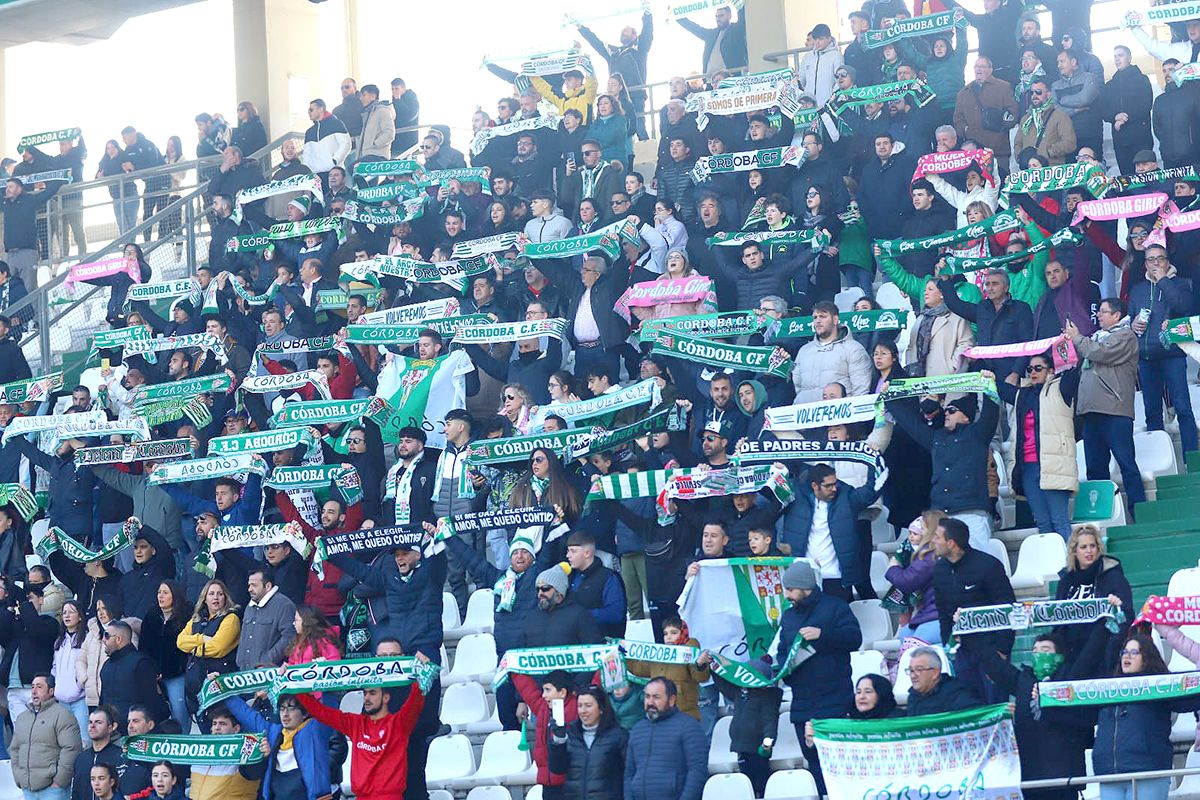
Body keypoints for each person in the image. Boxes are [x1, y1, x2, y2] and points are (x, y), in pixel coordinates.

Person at [295, 652, 433, 800]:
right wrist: (296, 681)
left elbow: (416, 700)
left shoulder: (399, 724)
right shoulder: (355, 724)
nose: (366, 698)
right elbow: (320, 712)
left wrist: (422, 667)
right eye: (365, 693)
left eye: (372, 693)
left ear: (386, 697)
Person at [775, 560, 861, 796]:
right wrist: (786, 671)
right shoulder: (788, 617)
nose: (787, 595)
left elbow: (854, 638)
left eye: (791, 589)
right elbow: (783, 651)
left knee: (841, 765)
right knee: (813, 764)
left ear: (806, 587)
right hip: (802, 704)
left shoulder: (835, 606)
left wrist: (822, 635)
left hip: (835, 700)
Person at [1093, 635, 1200, 800]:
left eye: (1134, 652)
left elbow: (1191, 699)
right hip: (1109, 774)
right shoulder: (1107, 689)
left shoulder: (1160, 687)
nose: (1127, 656)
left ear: (1146, 658)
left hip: (1148, 772)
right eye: (1124, 652)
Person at [1065, 298, 1146, 513]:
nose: (1098, 315)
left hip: (1115, 411)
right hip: (1092, 411)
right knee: (1095, 467)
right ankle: (1099, 513)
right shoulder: (1096, 338)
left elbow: (1101, 353)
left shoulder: (1125, 336)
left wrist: (1078, 338)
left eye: (1103, 312)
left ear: (1117, 316)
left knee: (1126, 463)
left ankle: (1139, 510)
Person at [991, 355, 1079, 540]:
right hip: (1028, 468)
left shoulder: (1061, 388)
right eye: (1029, 369)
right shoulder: (1022, 393)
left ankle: (1073, 566)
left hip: (1053, 464)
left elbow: (1073, 370)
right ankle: (1053, 565)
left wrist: (1069, 340)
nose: (1032, 372)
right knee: (1042, 522)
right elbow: (999, 389)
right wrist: (988, 377)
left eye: (1038, 368)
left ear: (1051, 371)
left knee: (1060, 520)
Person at [931, 518, 1014, 703]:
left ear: (951, 543)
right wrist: (948, 642)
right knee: (970, 707)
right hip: (963, 652)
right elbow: (943, 610)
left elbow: (1007, 608)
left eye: (937, 537)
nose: (933, 541)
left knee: (996, 707)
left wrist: (1003, 649)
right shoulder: (939, 570)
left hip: (991, 649)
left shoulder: (988, 566)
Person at [224, 692, 332, 800]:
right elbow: (246, 714)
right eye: (282, 708)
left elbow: (329, 707)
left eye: (291, 708)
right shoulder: (274, 732)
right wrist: (222, 688)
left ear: (304, 713)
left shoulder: (314, 730)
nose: (285, 714)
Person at [1055, 525, 1133, 668]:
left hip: (1102, 647)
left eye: (1092, 546)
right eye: (1083, 547)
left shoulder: (1113, 577)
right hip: (1070, 647)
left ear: (1098, 549)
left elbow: (1126, 614)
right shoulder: (1065, 581)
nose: (1089, 551)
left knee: (1100, 632)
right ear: (1074, 551)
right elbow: (1058, 620)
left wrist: (1116, 609)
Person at [623, 677, 708, 800]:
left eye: (656, 697)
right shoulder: (637, 729)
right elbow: (629, 773)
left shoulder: (689, 726)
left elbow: (697, 772)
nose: (650, 702)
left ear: (672, 699)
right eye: (647, 696)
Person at [177, 579, 241, 723]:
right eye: (211, 594)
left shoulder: (231, 618)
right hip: (196, 686)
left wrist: (192, 648)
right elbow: (180, 642)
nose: (216, 597)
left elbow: (218, 647)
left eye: (220, 594)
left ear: (225, 597)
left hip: (220, 686)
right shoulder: (196, 619)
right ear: (205, 598)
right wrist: (201, 638)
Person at [547, 685, 628, 800]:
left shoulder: (618, 736)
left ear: (601, 708)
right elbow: (557, 768)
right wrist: (559, 740)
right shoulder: (571, 734)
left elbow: (628, 774)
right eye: (580, 706)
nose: (583, 711)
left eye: (588, 706)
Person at [11, 673, 81, 800]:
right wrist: (19, 777)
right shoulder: (22, 718)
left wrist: (59, 782)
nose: (34, 691)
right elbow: (14, 749)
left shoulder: (63, 715)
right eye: (32, 687)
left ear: (51, 691)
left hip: (53, 790)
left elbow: (71, 749)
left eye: (39, 687)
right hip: (28, 789)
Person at [952, 58, 1018, 175]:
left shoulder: (1003, 87)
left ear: (990, 69)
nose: (978, 69)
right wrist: (965, 130)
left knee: (1001, 184)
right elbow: (958, 119)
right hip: (974, 152)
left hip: (998, 149)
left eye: (982, 66)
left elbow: (1013, 113)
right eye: (976, 66)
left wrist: (1001, 125)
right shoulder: (963, 93)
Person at [98, 620, 168, 730]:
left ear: (118, 639)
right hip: (111, 731)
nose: (103, 640)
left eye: (106, 636)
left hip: (135, 733)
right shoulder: (106, 665)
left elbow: (151, 701)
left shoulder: (141, 663)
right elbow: (103, 700)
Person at [885, 512, 943, 643]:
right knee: (905, 635)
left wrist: (893, 568)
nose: (920, 533)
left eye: (922, 528)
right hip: (930, 612)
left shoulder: (930, 555)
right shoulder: (928, 552)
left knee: (912, 644)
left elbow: (907, 582)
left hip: (938, 615)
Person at [1101, 45, 1155, 176]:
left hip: (1140, 138)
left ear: (1129, 58)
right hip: (1121, 141)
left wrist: (1125, 118)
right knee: (1127, 179)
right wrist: (1115, 117)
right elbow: (1103, 110)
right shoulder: (1110, 86)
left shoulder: (1142, 79)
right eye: (1115, 56)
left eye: (1120, 55)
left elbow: (1146, 104)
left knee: (1146, 177)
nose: (1117, 59)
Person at [236, 565, 298, 671]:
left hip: (270, 674)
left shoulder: (284, 605)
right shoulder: (249, 606)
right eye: (249, 585)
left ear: (268, 586)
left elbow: (289, 637)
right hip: (245, 673)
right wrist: (240, 660)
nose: (249, 589)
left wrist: (267, 661)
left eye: (254, 585)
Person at [1012, 79, 1077, 165]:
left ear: (1048, 94)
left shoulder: (1060, 116)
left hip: (1052, 169)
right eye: (1032, 93)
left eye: (1038, 92)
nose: (1034, 95)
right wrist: (1022, 158)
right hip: (1030, 171)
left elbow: (1070, 143)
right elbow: (1018, 143)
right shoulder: (1026, 119)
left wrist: (1048, 152)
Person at [904, 645, 981, 715]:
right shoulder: (913, 696)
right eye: (911, 670)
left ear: (935, 673)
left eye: (919, 670)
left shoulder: (956, 694)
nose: (913, 676)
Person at [677, 5, 748, 75]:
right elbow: (694, 28)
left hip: (730, 79)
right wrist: (676, 16)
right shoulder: (711, 34)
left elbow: (743, 18)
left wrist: (739, 5)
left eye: (721, 15)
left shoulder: (736, 30)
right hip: (711, 81)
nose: (718, 19)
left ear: (729, 16)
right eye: (716, 16)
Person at [390, 78, 420, 155]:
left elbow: (409, 116)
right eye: (392, 89)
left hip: (408, 143)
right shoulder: (394, 101)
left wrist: (398, 100)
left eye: (397, 89)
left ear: (403, 88)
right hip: (396, 142)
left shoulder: (412, 99)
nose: (394, 91)